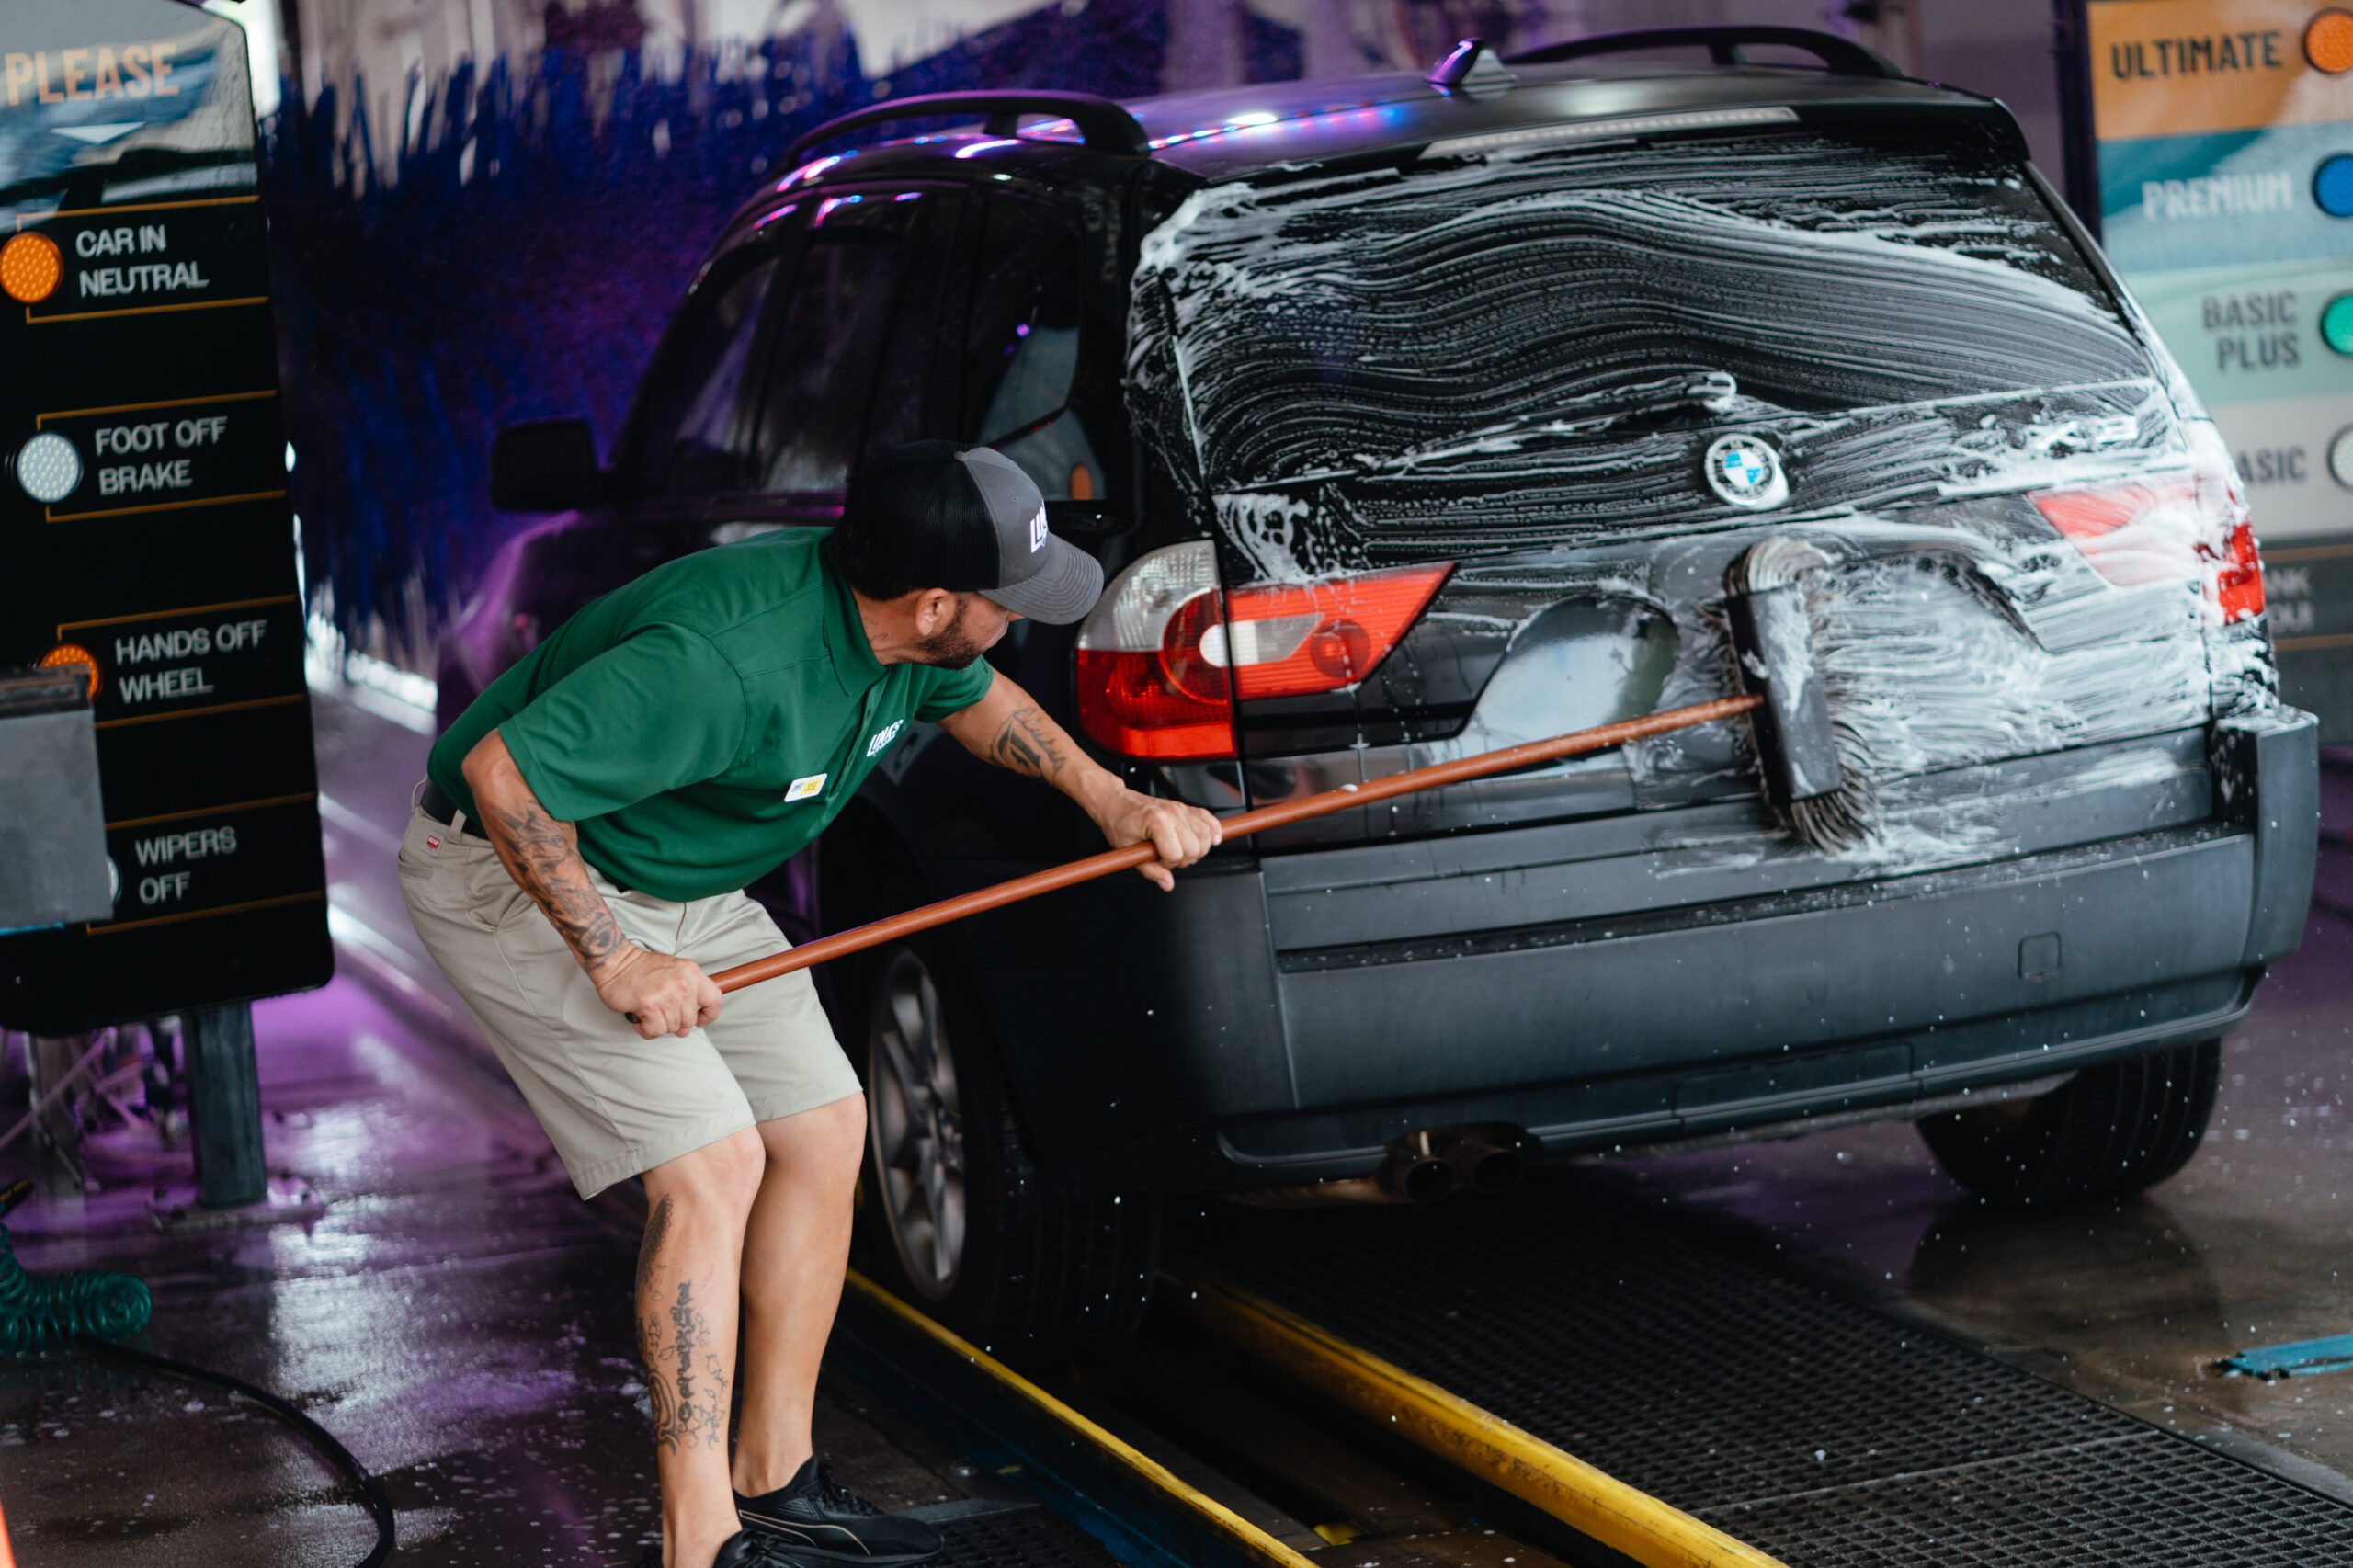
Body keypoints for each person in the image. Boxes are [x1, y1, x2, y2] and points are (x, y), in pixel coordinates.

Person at [397, 442, 1222, 1568]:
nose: (1018, 619)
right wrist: (618, 962)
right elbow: (506, 778)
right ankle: (700, 1544)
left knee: (825, 1127)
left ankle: (773, 1479)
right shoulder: (726, 661)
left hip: (676, 878)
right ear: (934, 602)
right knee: (711, 1166)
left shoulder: (905, 636)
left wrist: (1111, 799)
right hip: (518, 872)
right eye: (1006, 599)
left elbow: (978, 699)